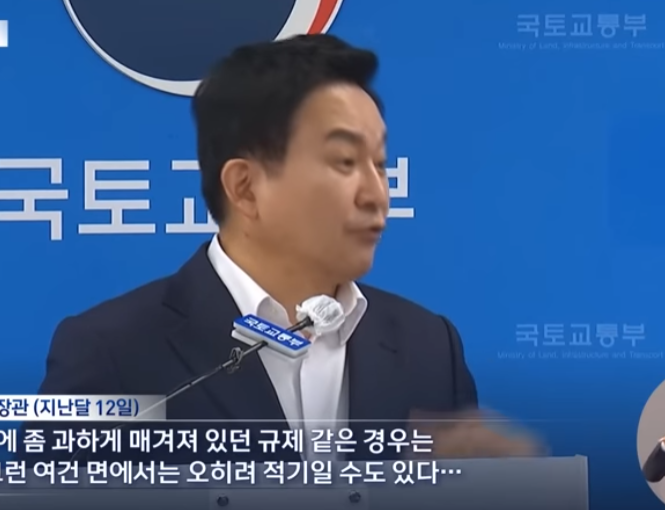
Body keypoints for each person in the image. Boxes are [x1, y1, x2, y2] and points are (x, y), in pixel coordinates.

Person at [32, 33, 539, 462]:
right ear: (246, 188)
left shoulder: (429, 348)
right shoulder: (112, 352)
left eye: (381, 164)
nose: (377, 194)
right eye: (344, 162)